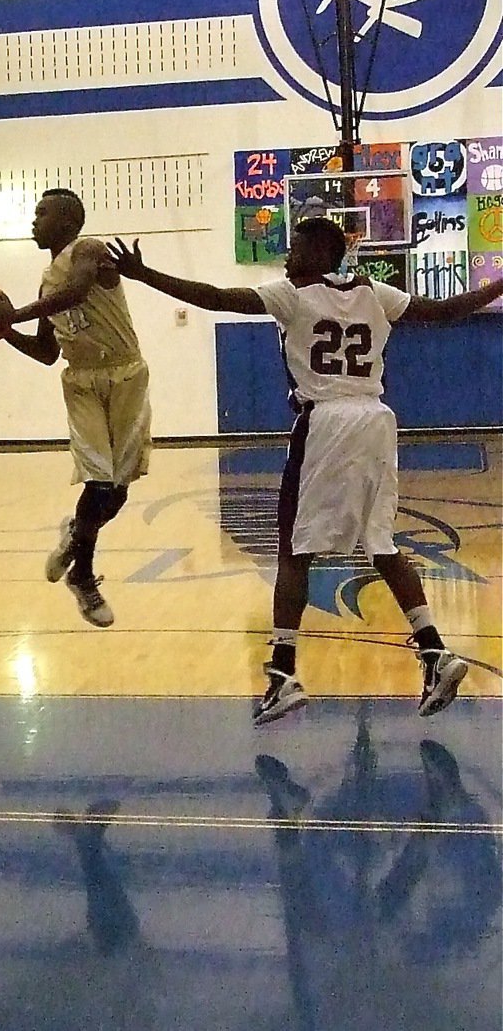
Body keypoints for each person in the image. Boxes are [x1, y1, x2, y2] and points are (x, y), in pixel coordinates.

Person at [104, 217, 503, 725]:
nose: (287, 257)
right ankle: (434, 652)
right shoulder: (375, 293)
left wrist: (145, 274)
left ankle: (283, 674)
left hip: (326, 423)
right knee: (381, 543)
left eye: (294, 247)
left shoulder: (292, 295)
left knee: (293, 551)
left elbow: (213, 297)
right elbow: (447, 311)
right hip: (377, 420)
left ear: (319, 253)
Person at [0, 187, 152, 628]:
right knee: (98, 484)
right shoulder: (46, 282)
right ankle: (82, 576)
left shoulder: (89, 250)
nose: (33, 221)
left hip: (126, 375)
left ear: (67, 221)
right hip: (81, 382)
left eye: (41, 213)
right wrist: (3, 331)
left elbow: (79, 292)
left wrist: (14, 314)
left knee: (116, 491)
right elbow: (46, 352)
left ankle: (75, 535)